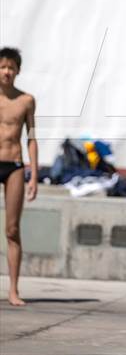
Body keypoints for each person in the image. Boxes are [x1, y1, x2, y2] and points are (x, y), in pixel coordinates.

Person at [0, 47, 38, 305]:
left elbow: (32, 138)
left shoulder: (26, 100)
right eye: (3, 67)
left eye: (11, 67)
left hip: (14, 165)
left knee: (12, 230)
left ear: (18, 71)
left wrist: (34, 175)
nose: (6, 72)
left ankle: (13, 290)